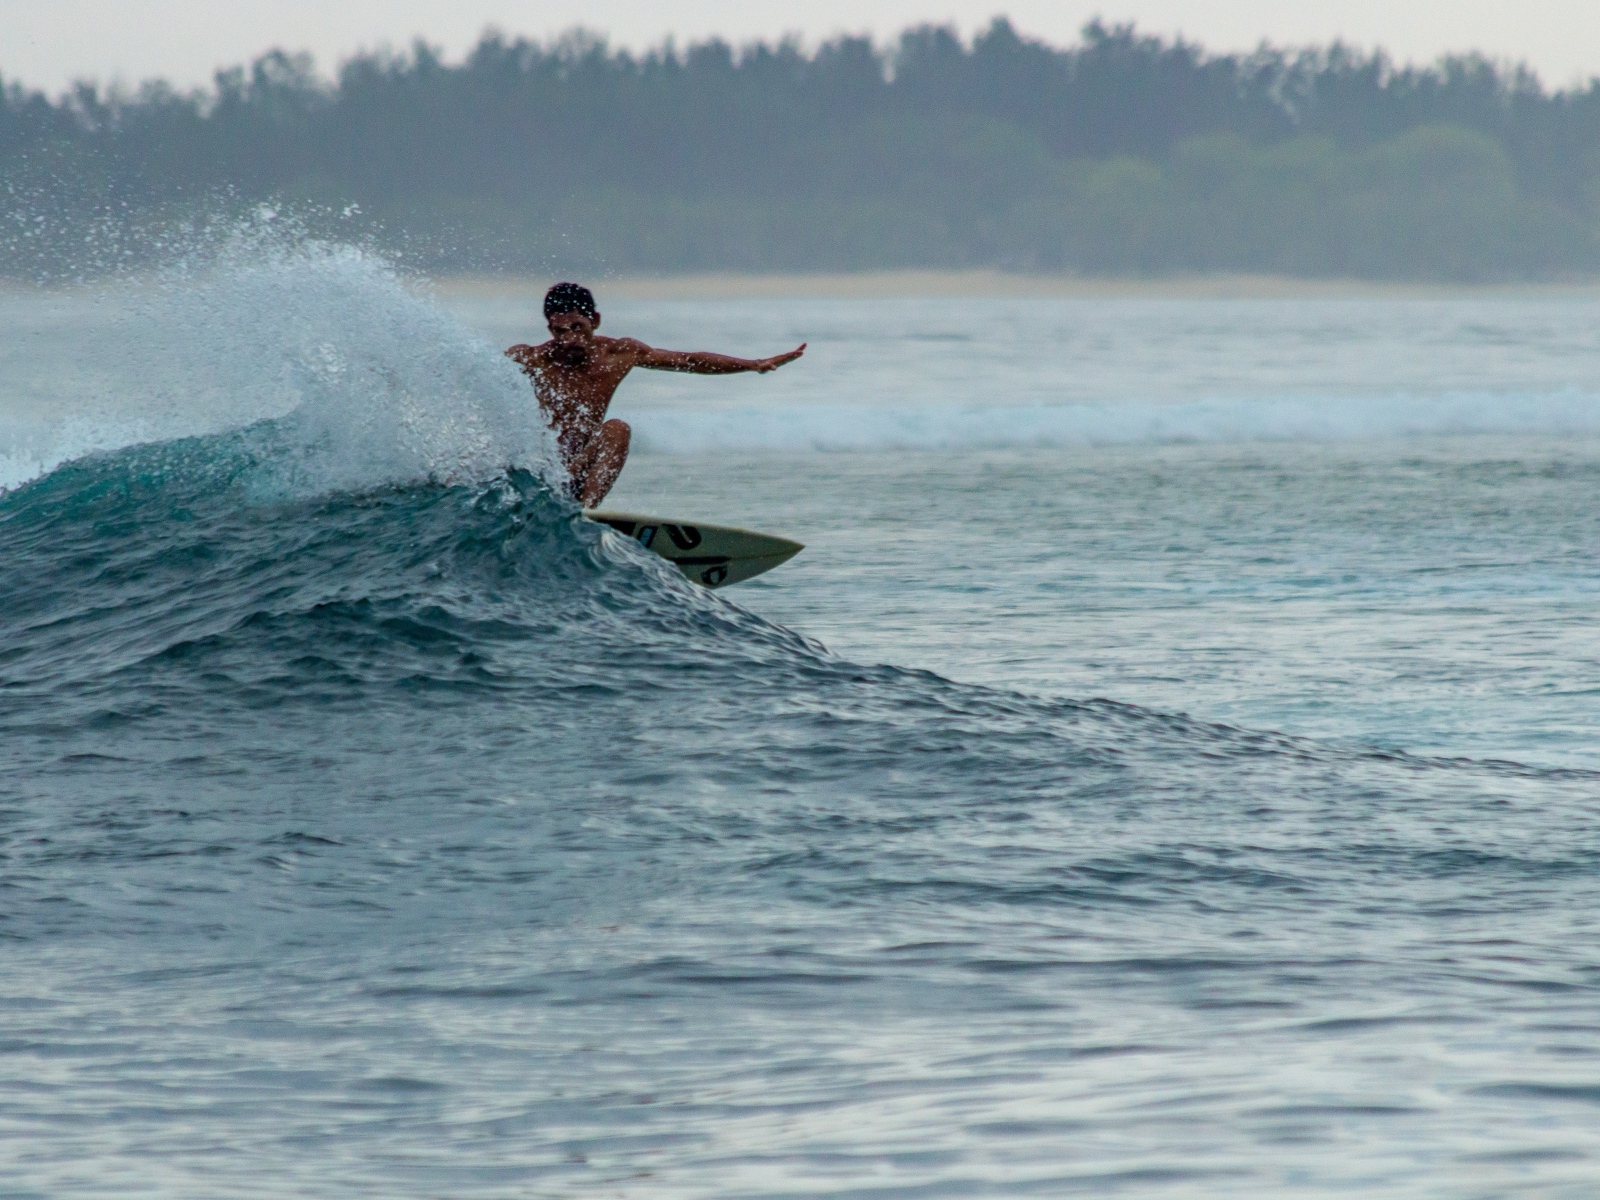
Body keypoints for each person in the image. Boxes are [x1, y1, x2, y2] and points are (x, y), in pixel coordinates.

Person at [506, 282, 806, 506]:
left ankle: (585, 515)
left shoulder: (619, 354)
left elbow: (688, 360)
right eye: (560, 331)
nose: (570, 339)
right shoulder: (530, 359)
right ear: (549, 329)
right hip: (541, 474)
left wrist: (753, 364)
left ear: (594, 321)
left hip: (582, 472)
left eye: (578, 327)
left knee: (617, 430)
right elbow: (479, 380)